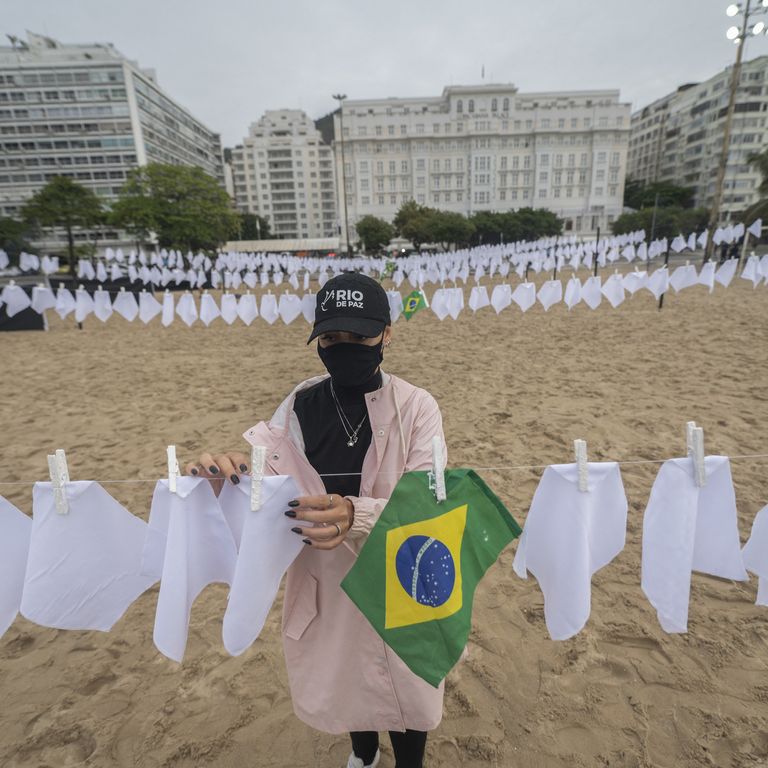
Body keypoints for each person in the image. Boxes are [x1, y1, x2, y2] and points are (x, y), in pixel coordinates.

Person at [186, 273, 447, 768]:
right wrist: (221, 475)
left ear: (387, 334)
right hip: (326, 574)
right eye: (331, 338)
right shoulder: (300, 405)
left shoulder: (417, 407)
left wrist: (356, 511)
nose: (344, 347)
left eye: (358, 336)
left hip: (401, 571)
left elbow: (428, 500)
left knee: (410, 684)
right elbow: (261, 475)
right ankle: (363, 755)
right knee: (345, 672)